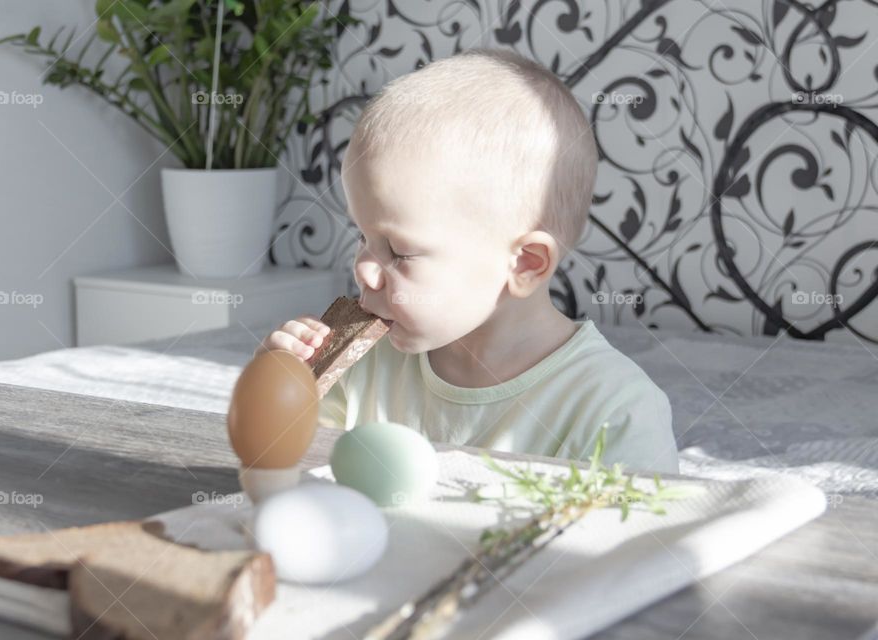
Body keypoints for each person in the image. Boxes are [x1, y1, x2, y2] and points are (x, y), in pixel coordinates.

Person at [255, 48, 679, 475]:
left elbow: (634, 536)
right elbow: (281, 470)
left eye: (399, 251)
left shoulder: (615, 408)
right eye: (364, 237)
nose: (363, 268)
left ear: (525, 264)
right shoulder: (361, 366)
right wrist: (281, 390)